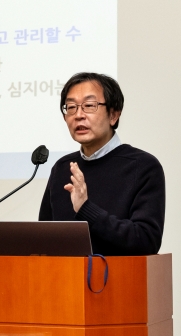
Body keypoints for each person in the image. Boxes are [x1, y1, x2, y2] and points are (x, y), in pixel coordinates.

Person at [38, 72, 165, 255]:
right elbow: (44, 239)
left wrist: (85, 209)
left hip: (118, 274)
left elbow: (147, 240)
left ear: (113, 115)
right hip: (65, 273)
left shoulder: (143, 167)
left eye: (89, 106)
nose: (78, 115)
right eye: (71, 107)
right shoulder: (62, 168)